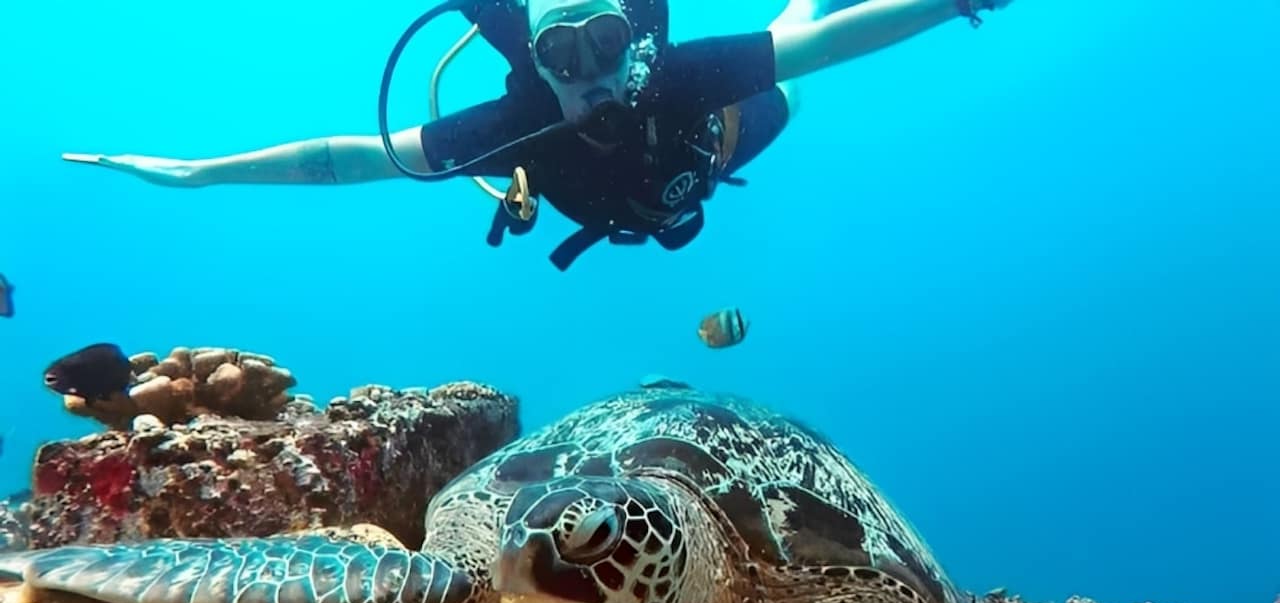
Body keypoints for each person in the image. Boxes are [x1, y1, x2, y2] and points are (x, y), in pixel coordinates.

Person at [61, 0, 1015, 269]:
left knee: (798, 71)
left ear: (632, 38)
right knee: (797, 61)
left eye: (607, 38)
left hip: (713, 149)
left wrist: (947, 3)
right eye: (565, 49)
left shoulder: (678, 74)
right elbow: (354, 157)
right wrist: (195, 173)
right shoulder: (514, 126)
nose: (594, 69)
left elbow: (835, 43)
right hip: (619, 200)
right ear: (536, 62)